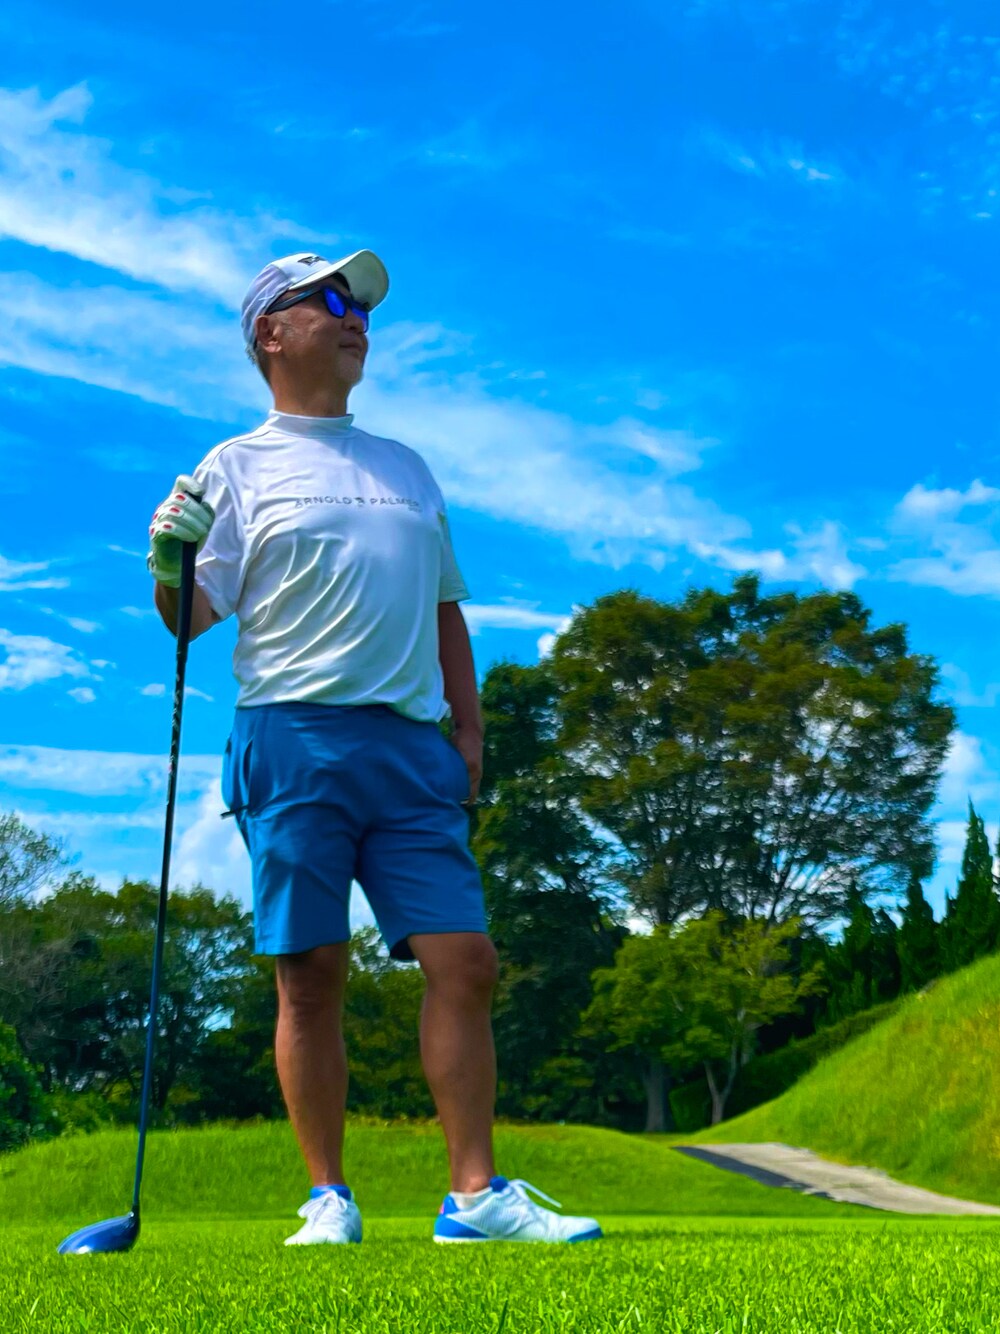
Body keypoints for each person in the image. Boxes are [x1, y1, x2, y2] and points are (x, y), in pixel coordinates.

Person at [146, 250, 602, 1246]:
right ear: (271, 332)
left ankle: (474, 1197)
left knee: (466, 961)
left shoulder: (406, 466)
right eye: (330, 299)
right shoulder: (234, 466)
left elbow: (445, 608)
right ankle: (329, 1197)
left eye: (360, 305)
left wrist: (468, 729)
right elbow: (190, 617)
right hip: (291, 735)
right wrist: (167, 559)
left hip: (409, 746)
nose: (355, 316)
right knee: (310, 972)